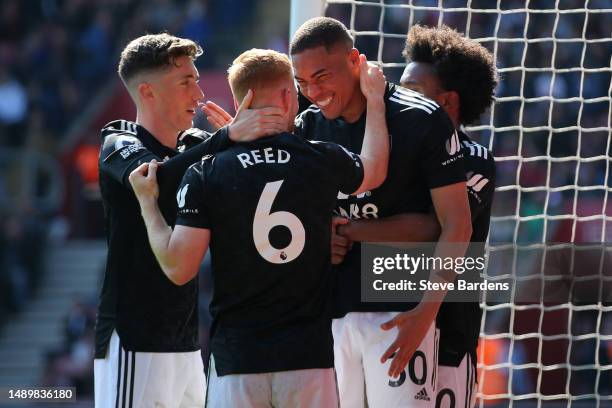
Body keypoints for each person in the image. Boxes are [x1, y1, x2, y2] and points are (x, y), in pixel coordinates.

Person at [203, 17, 473, 407]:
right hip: (323, 319)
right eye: (302, 82)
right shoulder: (304, 129)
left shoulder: (421, 118)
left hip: (399, 307)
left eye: (322, 76)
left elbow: (453, 224)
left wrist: (424, 312)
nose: (313, 92)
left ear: (354, 61)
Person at [129, 48, 389, 407]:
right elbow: (374, 168)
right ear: (287, 97)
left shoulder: (206, 171)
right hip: (308, 359)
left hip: (237, 361)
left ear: (240, 103)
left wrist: (147, 204)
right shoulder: (320, 158)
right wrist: (376, 100)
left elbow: (178, 268)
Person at [94, 33, 286, 407]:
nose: (198, 95)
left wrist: (246, 148)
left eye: (197, 80)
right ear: (147, 92)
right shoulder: (118, 139)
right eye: (186, 82)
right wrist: (227, 138)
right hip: (135, 338)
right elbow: (153, 181)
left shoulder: (196, 144)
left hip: (186, 342)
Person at [337, 24, 498, 407]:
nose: (400, 99)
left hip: (446, 330)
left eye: (412, 90)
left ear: (445, 103)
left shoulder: (474, 160)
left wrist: (349, 230)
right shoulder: (386, 152)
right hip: (375, 319)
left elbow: (433, 228)